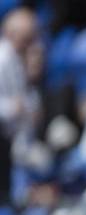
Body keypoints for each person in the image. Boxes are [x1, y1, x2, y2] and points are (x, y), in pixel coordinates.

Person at [0, 6, 39, 203]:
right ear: (11, 32)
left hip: (13, 143)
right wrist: (12, 108)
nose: (32, 39)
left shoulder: (17, 59)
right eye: (28, 35)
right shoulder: (2, 58)